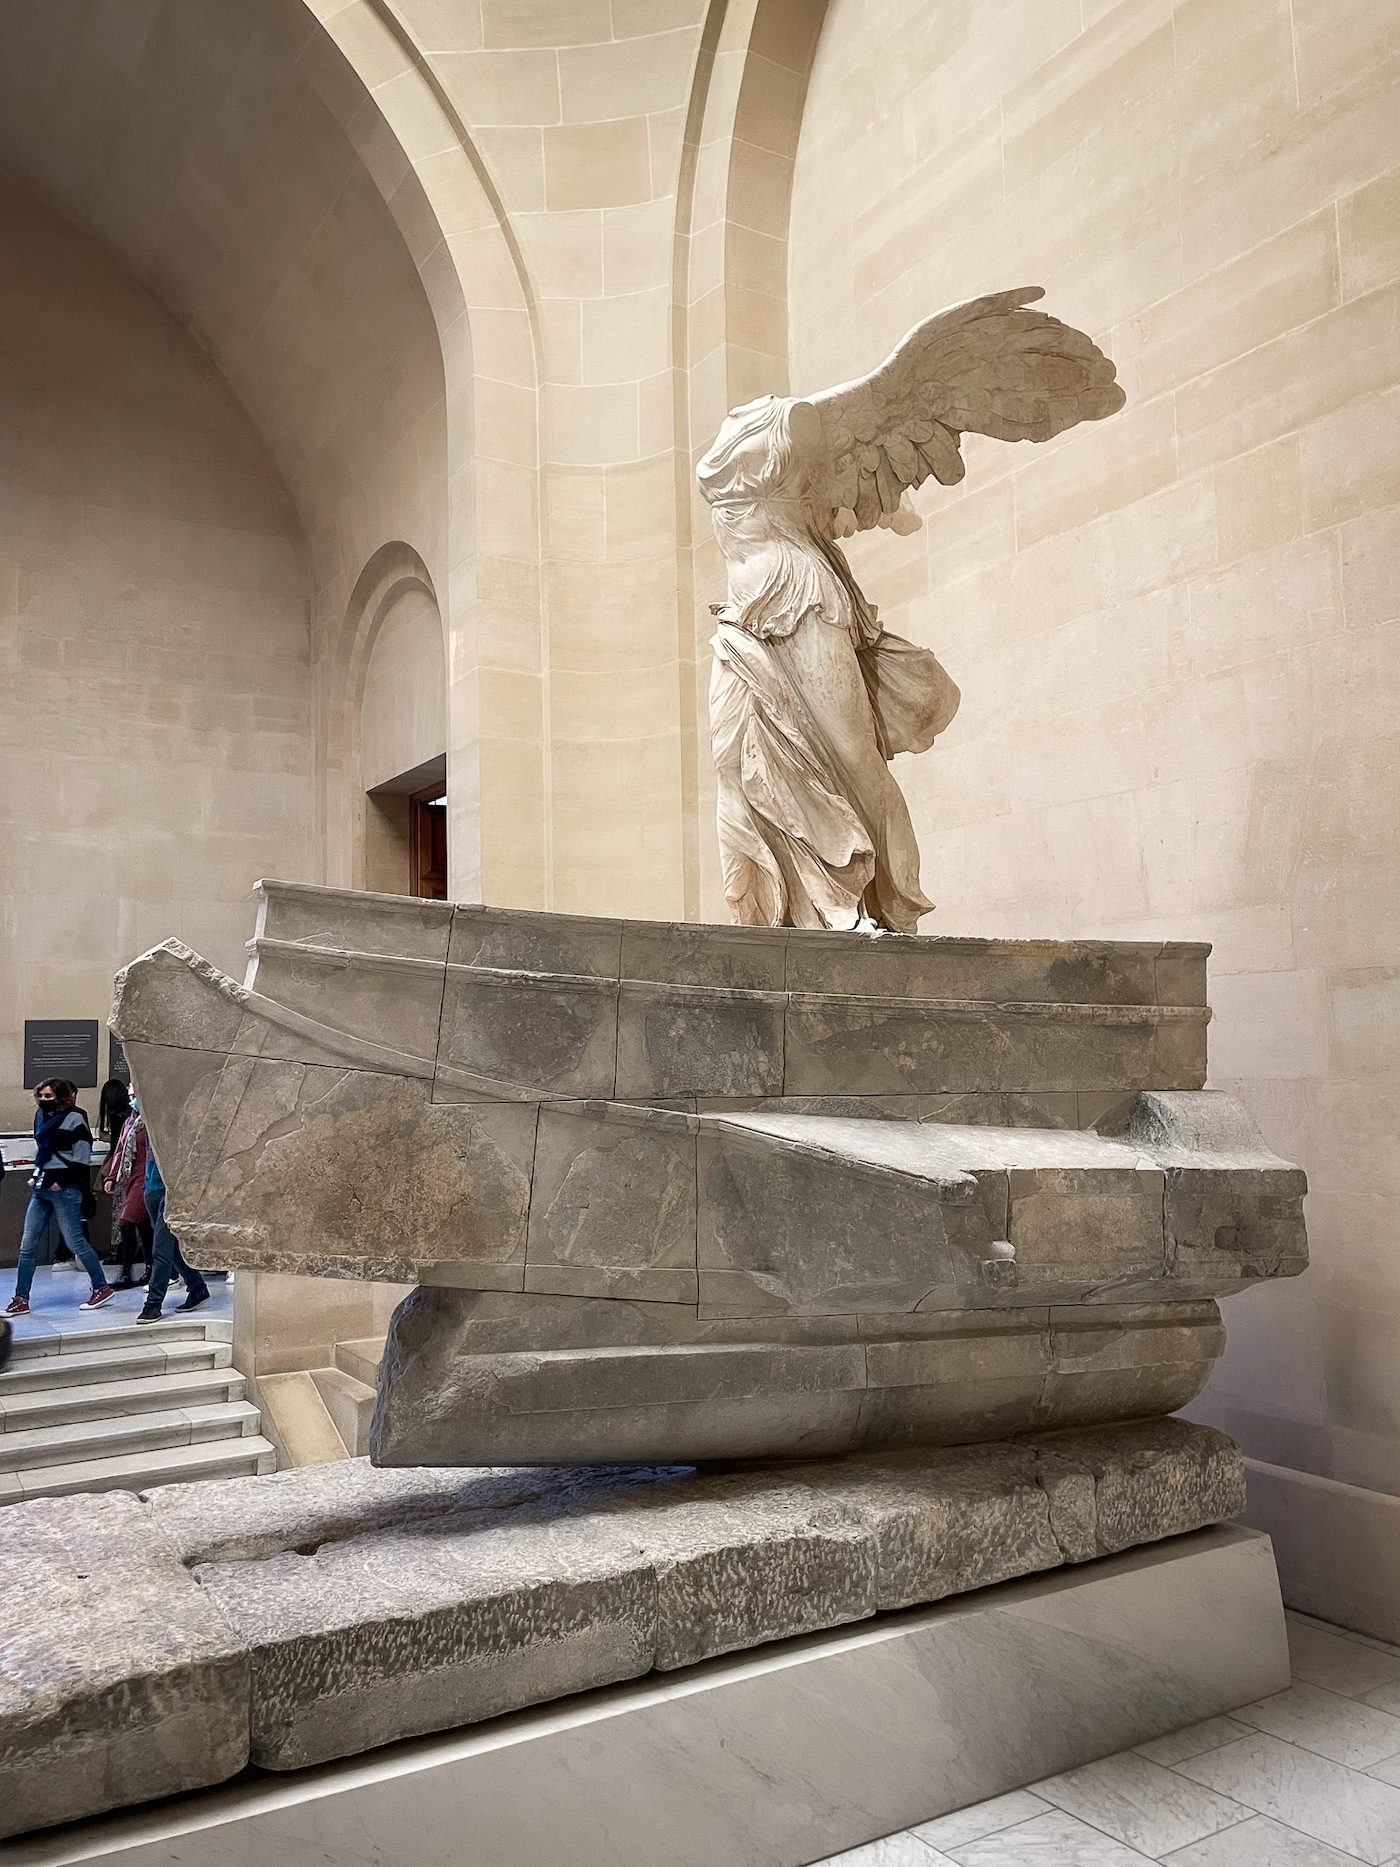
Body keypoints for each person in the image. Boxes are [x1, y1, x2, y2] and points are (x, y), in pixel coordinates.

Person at [4, 1080, 114, 1316]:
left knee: (75, 1241)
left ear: (62, 1097)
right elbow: (42, 1153)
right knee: (27, 1245)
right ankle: (20, 1298)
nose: (43, 1100)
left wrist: (60, 1182)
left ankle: (100, 1287)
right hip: (42, 1186)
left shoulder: (75, 1118)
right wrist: (37, 1176)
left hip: (64, 1188)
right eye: (41, 1095)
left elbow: (81, 1159)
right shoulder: (40, 1117)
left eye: (48, 1096)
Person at [137, 1139, 208, 1321]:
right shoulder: (143, 1118)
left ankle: (153, 1304)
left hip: (170, 1189)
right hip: (152, 1186)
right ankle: (197, 1286)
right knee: (171, 1246)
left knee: (161, 1249)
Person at [102, 1091, 152, 1289]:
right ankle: (148, 1267)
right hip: (130, 1177)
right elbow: (120, 1150)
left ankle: (127, 1272)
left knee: (127, 1222)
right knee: (144, 1226)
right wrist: (112, 1176)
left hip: (145, 1177)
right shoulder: (129, 1123)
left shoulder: (150, 1124)